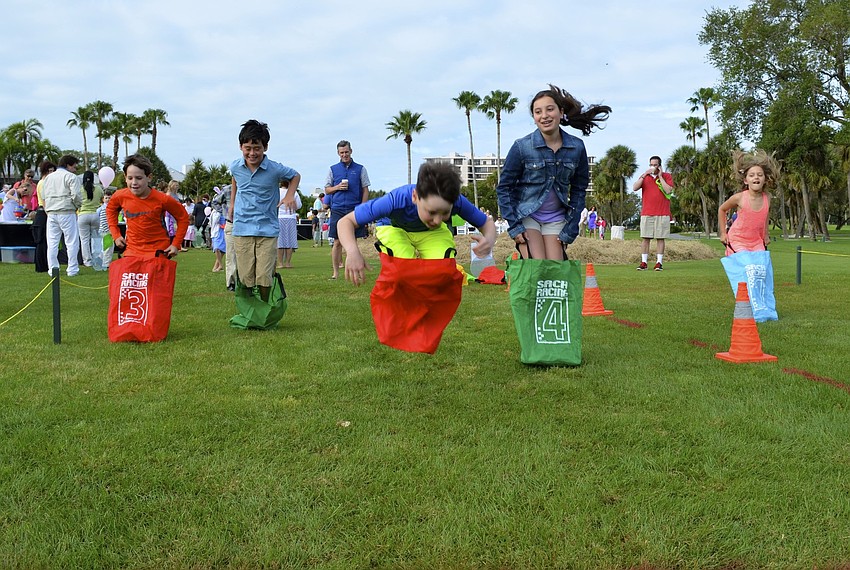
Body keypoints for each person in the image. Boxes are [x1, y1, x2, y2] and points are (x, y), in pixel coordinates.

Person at [496, 84, 611, 260]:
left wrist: (571, 227)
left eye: (550, 109)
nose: (544, 116)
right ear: (534, 117)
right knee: (537, 265)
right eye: (538, 112)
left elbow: (579, 190)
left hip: (556, 218)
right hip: (527, 216)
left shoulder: (576, 147)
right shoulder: (522, 147)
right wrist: (514, 226)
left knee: (554, 270)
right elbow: (504, 187)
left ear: (560, 111)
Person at [337, 162, 496, 286]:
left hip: (430, 234)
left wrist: (489, 240)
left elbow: (487, 223)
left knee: (443, 272)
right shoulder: (395, 200)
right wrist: (352, 251)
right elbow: (345, 222)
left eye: (445, 213)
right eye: (432, 212)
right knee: (404, 270)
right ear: (415, 197)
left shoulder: (456, 201)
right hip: (395, 228)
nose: (438, 220)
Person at [227, 119, 301, 302]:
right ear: (240, 147)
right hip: (242, 227)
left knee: (264, 275)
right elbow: (235, 179)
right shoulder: (236, 166)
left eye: (257, 148)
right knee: (245, 276)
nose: (252, 153)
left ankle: (265, 305)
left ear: (265, 147)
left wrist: (290, 195)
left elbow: (295, 175)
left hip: (267, 229)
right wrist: (232, 203)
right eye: (248, 148)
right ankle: (248, 309)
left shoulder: (274, 169)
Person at [106, 154, 190, 259]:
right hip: (131, 252)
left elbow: (183, 217)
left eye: (139, 178)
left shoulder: (163, 199)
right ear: (125, 178)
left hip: (158, 252)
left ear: (149, 177)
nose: (134, 182)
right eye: (130, 178)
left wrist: (176, 244)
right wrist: (116, 235)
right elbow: (110, 210)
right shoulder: (119, 196)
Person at [718, 149, 779, 255]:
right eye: (751, 175)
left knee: (761, 269)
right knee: (747, 266)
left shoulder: (767, 197)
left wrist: (766, 234)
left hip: (757, 242)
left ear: (765, 179)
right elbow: (722, 209)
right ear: (746, 180)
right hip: (738, 240)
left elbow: (765, 215)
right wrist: (723, 233)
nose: (756, 177)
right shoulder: (739, 198)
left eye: (760, 175)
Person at [324, 140, 370, 279]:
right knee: (337, 242)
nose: (344, 154)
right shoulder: (332, 169)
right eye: (342, 152)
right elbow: (327, 189)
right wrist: (337, 187)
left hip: (354, 209)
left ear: (351, 151)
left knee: (353, 242)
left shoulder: (360, 169)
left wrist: (362, 207)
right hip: (337, 209)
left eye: (346, 152)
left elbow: (365, 189)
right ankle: (336, 273)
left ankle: (356, 271)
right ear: (338, 153)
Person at [41, 154, 82, 277]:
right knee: (71, 242)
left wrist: (47, 209)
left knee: (52, 243)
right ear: (68, 165)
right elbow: (76, 195)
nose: (75, 169)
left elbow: (43, 196)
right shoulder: (71, 177)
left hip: (51, 213)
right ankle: (72, 269)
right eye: (74, 167)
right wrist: (77, 205)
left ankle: (53, 269)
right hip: (67, 211)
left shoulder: (48, 178)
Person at [633, 155, 674, 271]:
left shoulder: (667, 176)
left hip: (662, 213)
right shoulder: (645, 177)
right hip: (647, 213)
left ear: (659, 166)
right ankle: (644, 262)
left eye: (655, 165)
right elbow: (635, 187)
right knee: (645, 238)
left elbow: (668, 190)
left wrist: (660, 177)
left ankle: (659, 263)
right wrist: (644, 175)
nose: (653, 167)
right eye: (651, 164)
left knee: (660, 238)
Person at [30, 161, 56, 273]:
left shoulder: (47, 182)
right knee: (41, 242)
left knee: (46, 241)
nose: (52, 173)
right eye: (49, 171)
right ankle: (41, 266)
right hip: (43, 213)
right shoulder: (43, 183)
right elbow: (44, 200)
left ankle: (45, 265)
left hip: (45, 212)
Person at [77, 170, 104, 267]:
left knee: (84, 240)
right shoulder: (98, 189)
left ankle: (87, 261)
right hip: (95, 215)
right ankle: (97, 258)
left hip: (83, 215)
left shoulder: (79, 189)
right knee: (96, 238)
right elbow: (102, 198)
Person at [276, 179, 302, 268]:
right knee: (289, 241)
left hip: (279, 217)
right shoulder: (293, 193)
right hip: (290, 217)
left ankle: (280, 263)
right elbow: (299, 205)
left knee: (280, 242)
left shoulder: (277, 191)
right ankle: (288, 263)